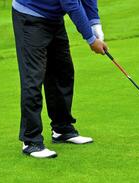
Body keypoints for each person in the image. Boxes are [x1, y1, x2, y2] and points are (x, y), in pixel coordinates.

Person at [12, 0, 108, 158]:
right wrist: (91, 39)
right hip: (30, 16)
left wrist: (95, 22)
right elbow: (71, 4)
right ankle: (31, 141)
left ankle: (62, 129)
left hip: (54, 18)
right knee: (33, 78)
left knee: (63, 72)